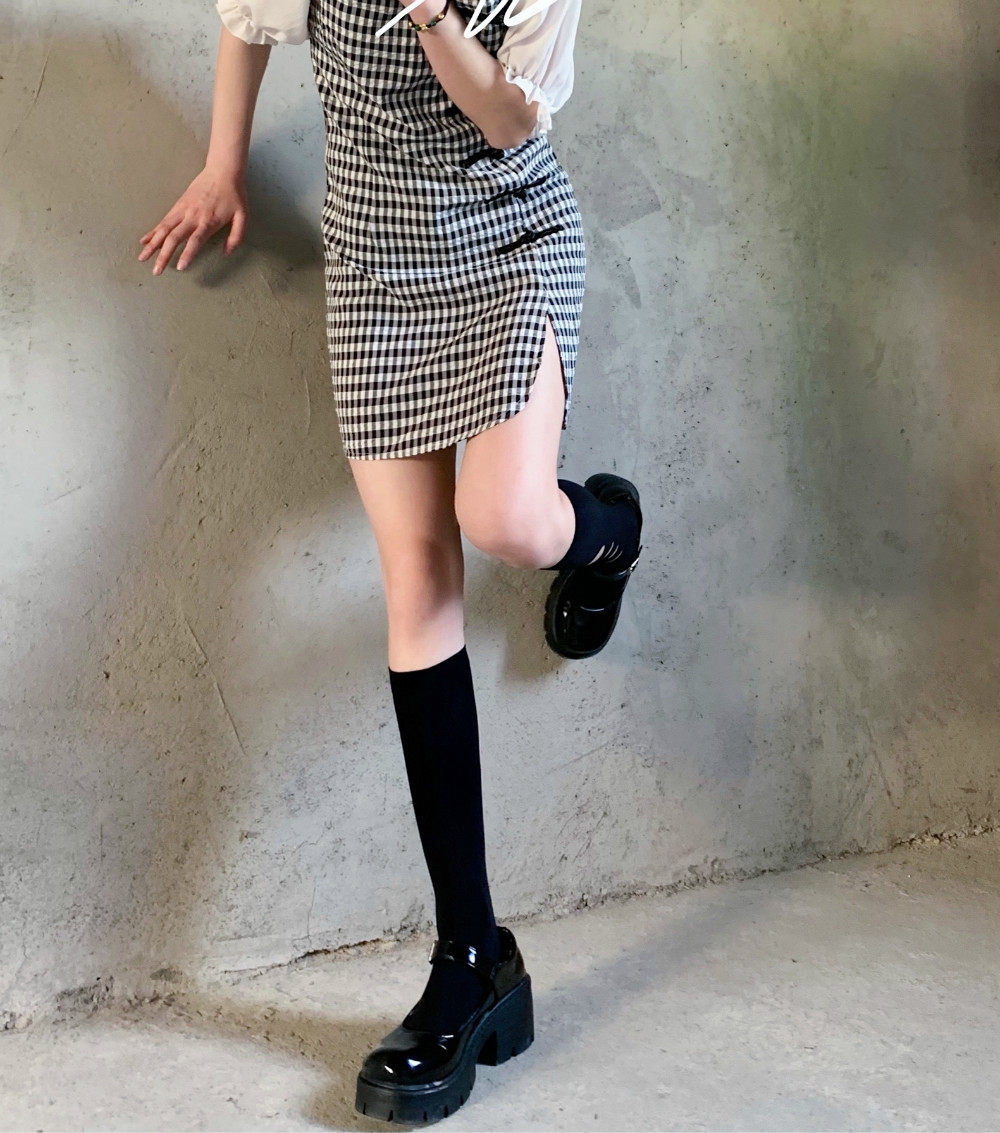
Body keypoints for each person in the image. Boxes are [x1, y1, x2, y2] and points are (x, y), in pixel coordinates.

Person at [138, 0, 643, 1122]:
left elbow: (508, 122)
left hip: (509, 243)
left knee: (508, 521)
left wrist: (428, 14)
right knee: (418, 586)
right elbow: (250, 20)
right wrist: (223, 163)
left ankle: (604, 531)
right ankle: (473, 957)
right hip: (375, 270)